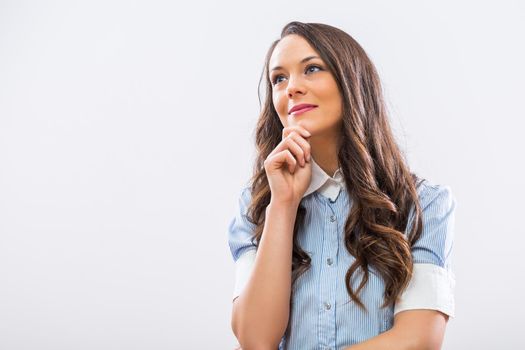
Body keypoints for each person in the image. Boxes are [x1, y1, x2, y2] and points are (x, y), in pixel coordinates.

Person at [227, 21, 456, 350]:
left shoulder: (425, 204)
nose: (291, 87)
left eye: (312, 69)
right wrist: (284, 205)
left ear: (351, 81)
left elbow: (419, 339)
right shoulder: (257, 203)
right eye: (279, 78)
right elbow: (255, 339)